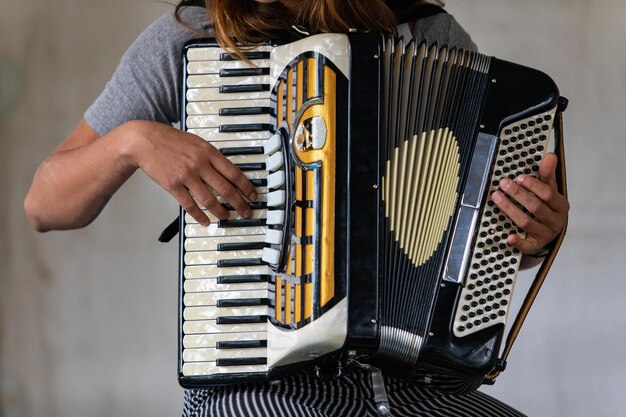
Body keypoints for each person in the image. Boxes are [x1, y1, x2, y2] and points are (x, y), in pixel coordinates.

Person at [23, 0, 570, 416]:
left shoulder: (423, 30)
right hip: (259, 388)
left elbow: (468, 231)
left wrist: (530, 233)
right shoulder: (188, 38)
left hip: (410, 386)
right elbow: (46, 204)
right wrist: (132, 141)